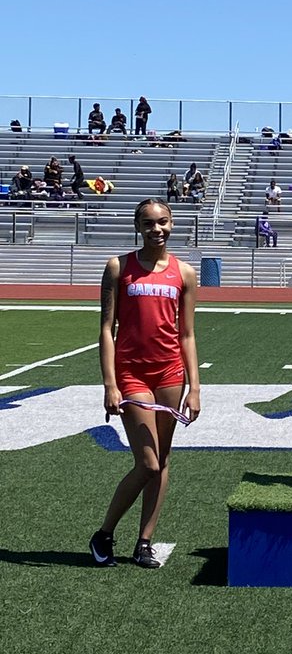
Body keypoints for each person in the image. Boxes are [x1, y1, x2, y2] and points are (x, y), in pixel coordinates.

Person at [89, 198, 201, 568]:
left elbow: (187, 334)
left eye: (163, 222)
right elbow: (107, 329)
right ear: (138, 226)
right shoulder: (119, 267)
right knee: (148, 463)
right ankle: (104, 533)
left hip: (171, 374)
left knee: (163, 460)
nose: (158, 229)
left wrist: (195, 387)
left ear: (172, 224)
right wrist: (110, 384)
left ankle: (144, 541)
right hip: (131, 374)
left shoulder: (184, 273)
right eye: (149, 223)